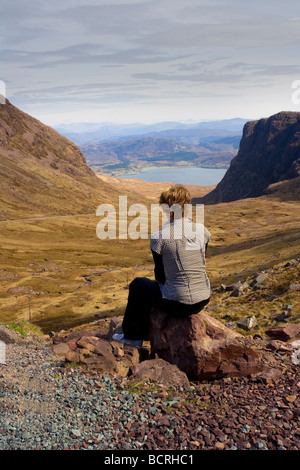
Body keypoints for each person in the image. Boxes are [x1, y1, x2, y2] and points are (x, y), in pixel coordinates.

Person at [113, 184, 211, 348]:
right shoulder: (202, 231)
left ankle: (133, 337)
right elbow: (199, 260)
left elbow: (160, 278)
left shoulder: (159, 237)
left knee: (137, 285)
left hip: (177, 304)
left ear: (165, 208)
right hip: (203, 299)